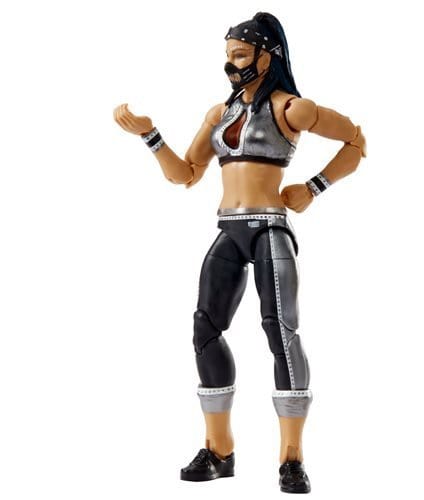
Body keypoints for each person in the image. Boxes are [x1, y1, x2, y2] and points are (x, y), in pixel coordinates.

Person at [113, 11, 366, 494]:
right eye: (228, 56)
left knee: (281, 332)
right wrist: (150, 135)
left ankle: (292, 458)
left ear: (267, 56)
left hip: (270, 227)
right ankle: (219, 449)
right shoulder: (220, 114)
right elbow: (186, 174)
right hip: (229, 228)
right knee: (204, 329)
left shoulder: (293, 109)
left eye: (241, 55)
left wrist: (314, 187)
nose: (232, 64)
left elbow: (356, 139)